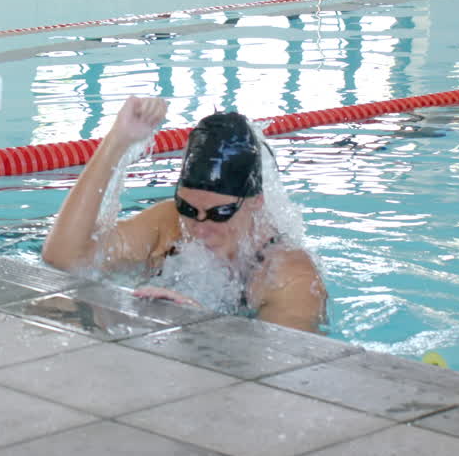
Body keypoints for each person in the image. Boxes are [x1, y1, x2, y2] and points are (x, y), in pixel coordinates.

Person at [42, 96, 328, 333]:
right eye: (188, 209)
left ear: (255, 202)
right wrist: (117, 142)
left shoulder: (289, 277)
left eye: (220, 214)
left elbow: (279, 373)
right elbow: (64, 258)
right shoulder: (167, 223)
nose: (199, 228)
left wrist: (202, 326)